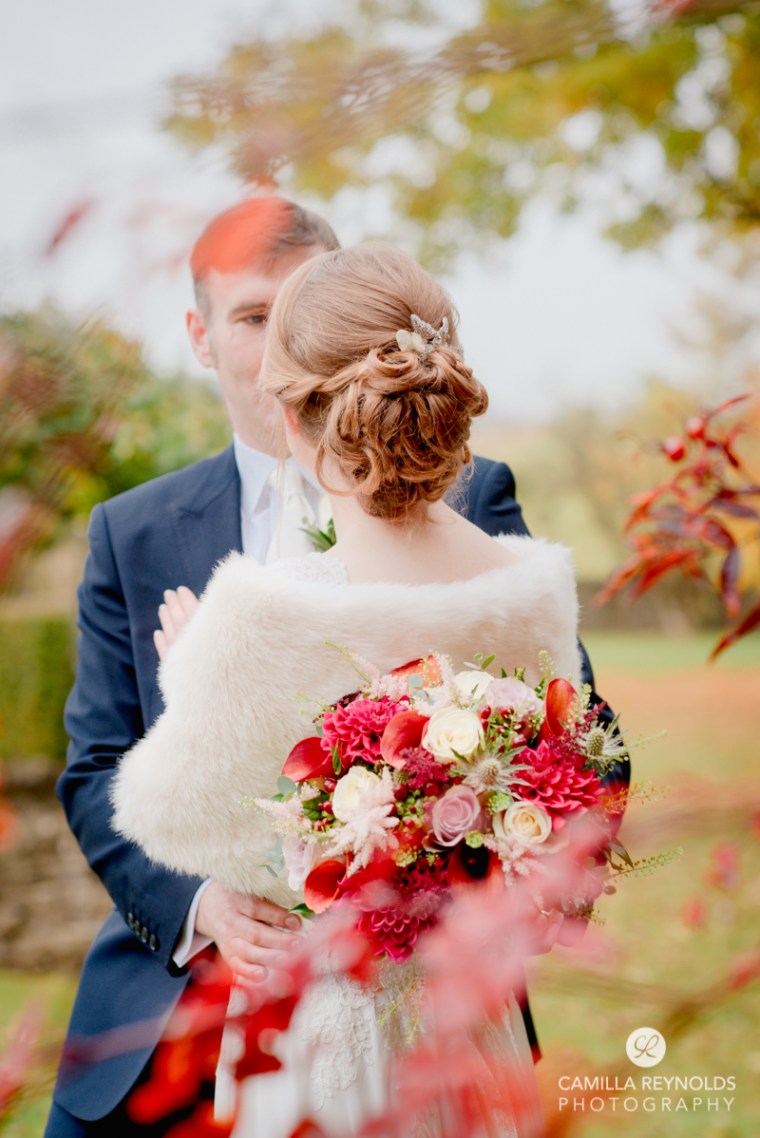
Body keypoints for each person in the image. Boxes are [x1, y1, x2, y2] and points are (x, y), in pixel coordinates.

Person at [45, 201, 568, 1137]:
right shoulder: (131, 529)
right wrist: (201, 908)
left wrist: (199, 677)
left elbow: (565, 740)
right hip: (168, 1008)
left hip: (399, 999)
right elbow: (93, 769)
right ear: (202, 336)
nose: (285, 337)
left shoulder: (475, 496)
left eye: (303, 308)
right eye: (255, 316)